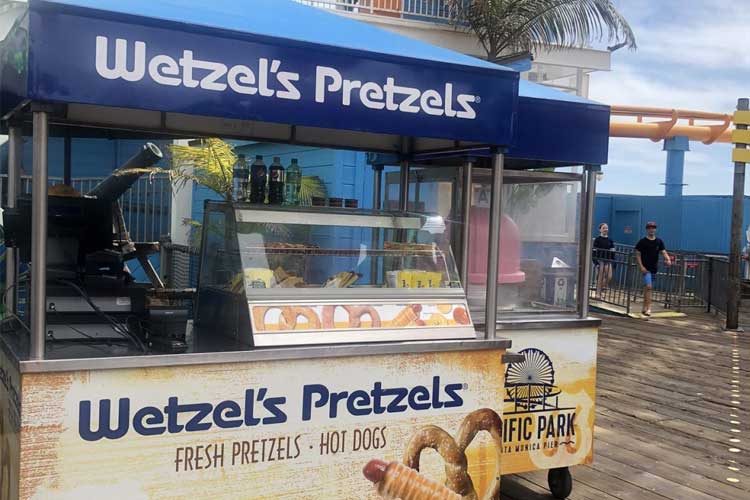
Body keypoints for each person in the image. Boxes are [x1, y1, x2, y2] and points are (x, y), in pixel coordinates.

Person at [635, 221, 671, 316]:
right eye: (650, 228)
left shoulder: (659, 241)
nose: (651, 229)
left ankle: (644, 307)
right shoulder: (642, 241)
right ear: (647, 229)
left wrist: (668, 259)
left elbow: (663, 252)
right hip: (645, 269)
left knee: (648, 288)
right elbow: (638, 254)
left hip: (654, 268)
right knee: (649, 287)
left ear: (655, 229)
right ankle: (649, 308)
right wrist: (641, 266)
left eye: (653, 228)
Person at [593, 223, 615, 299]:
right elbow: (594, 251)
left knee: (609, 276)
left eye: (606, 228)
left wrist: (613, 260)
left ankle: (600, 288)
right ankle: (598, 294)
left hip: (608, 260)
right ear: (600, 230)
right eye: (604, 228)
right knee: (600, 277)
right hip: (600, 260)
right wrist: (596, 262)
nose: (605, 229)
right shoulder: (597, 239)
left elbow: (613, 251)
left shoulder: (610, 240)